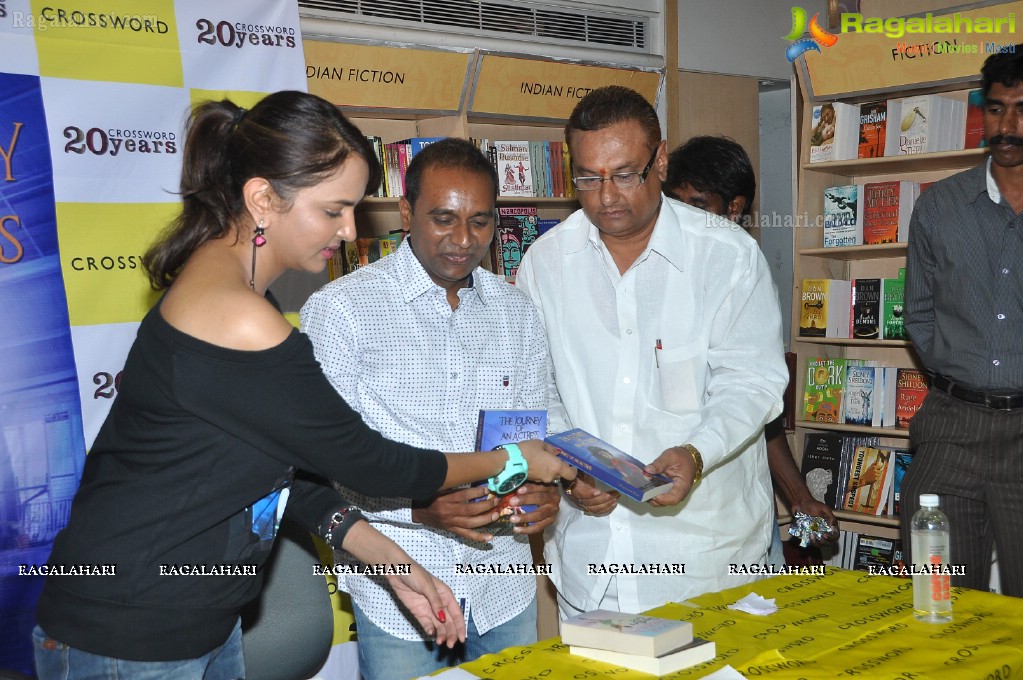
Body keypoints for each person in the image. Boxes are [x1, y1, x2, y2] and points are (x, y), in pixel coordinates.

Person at [31, 91, 575, 679]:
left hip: (189, 619)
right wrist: (513, 457)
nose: (348, 229)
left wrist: (394, 564)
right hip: (131, 629)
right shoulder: (241, 316)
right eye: (334, 209)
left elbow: (293, 476)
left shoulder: (234, 295)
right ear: (264, 199)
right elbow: (371, 464)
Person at [516, 86, 788, 616]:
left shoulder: (727, 257)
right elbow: (534, 388)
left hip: (708, 562)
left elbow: (752, 384)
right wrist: (574, 469)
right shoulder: (546, 264)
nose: (606, 196)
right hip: (592, 565)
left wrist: (695, 452)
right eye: (588, 178)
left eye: (624, 174)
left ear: (660, 159)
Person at [301, 138, 558, 678]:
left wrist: (543, 493)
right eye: (443, 218)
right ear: (405, 213)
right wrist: (417, 509)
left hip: (504, 584)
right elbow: (321, 468)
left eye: (481, 222)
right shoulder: (342, 312)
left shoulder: (516, 310)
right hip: (403, 590)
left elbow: (535, 436)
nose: (464, 241)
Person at [664, 135, 839, 566]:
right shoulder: (658, 272)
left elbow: (760, 412)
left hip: (734, 507)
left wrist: (799, 497)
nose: (683, 216)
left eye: (697, 204)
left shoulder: (745, 276)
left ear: (735, 207)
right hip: (665, 502)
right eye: (675, 202)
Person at [902, 46, 1023, 597]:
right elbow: (920, 314)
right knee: (939, 600)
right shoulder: (940, 206)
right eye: (997, 109)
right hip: (952, 427)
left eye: (1022, 109)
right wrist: (959, 373)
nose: (1008, 125)